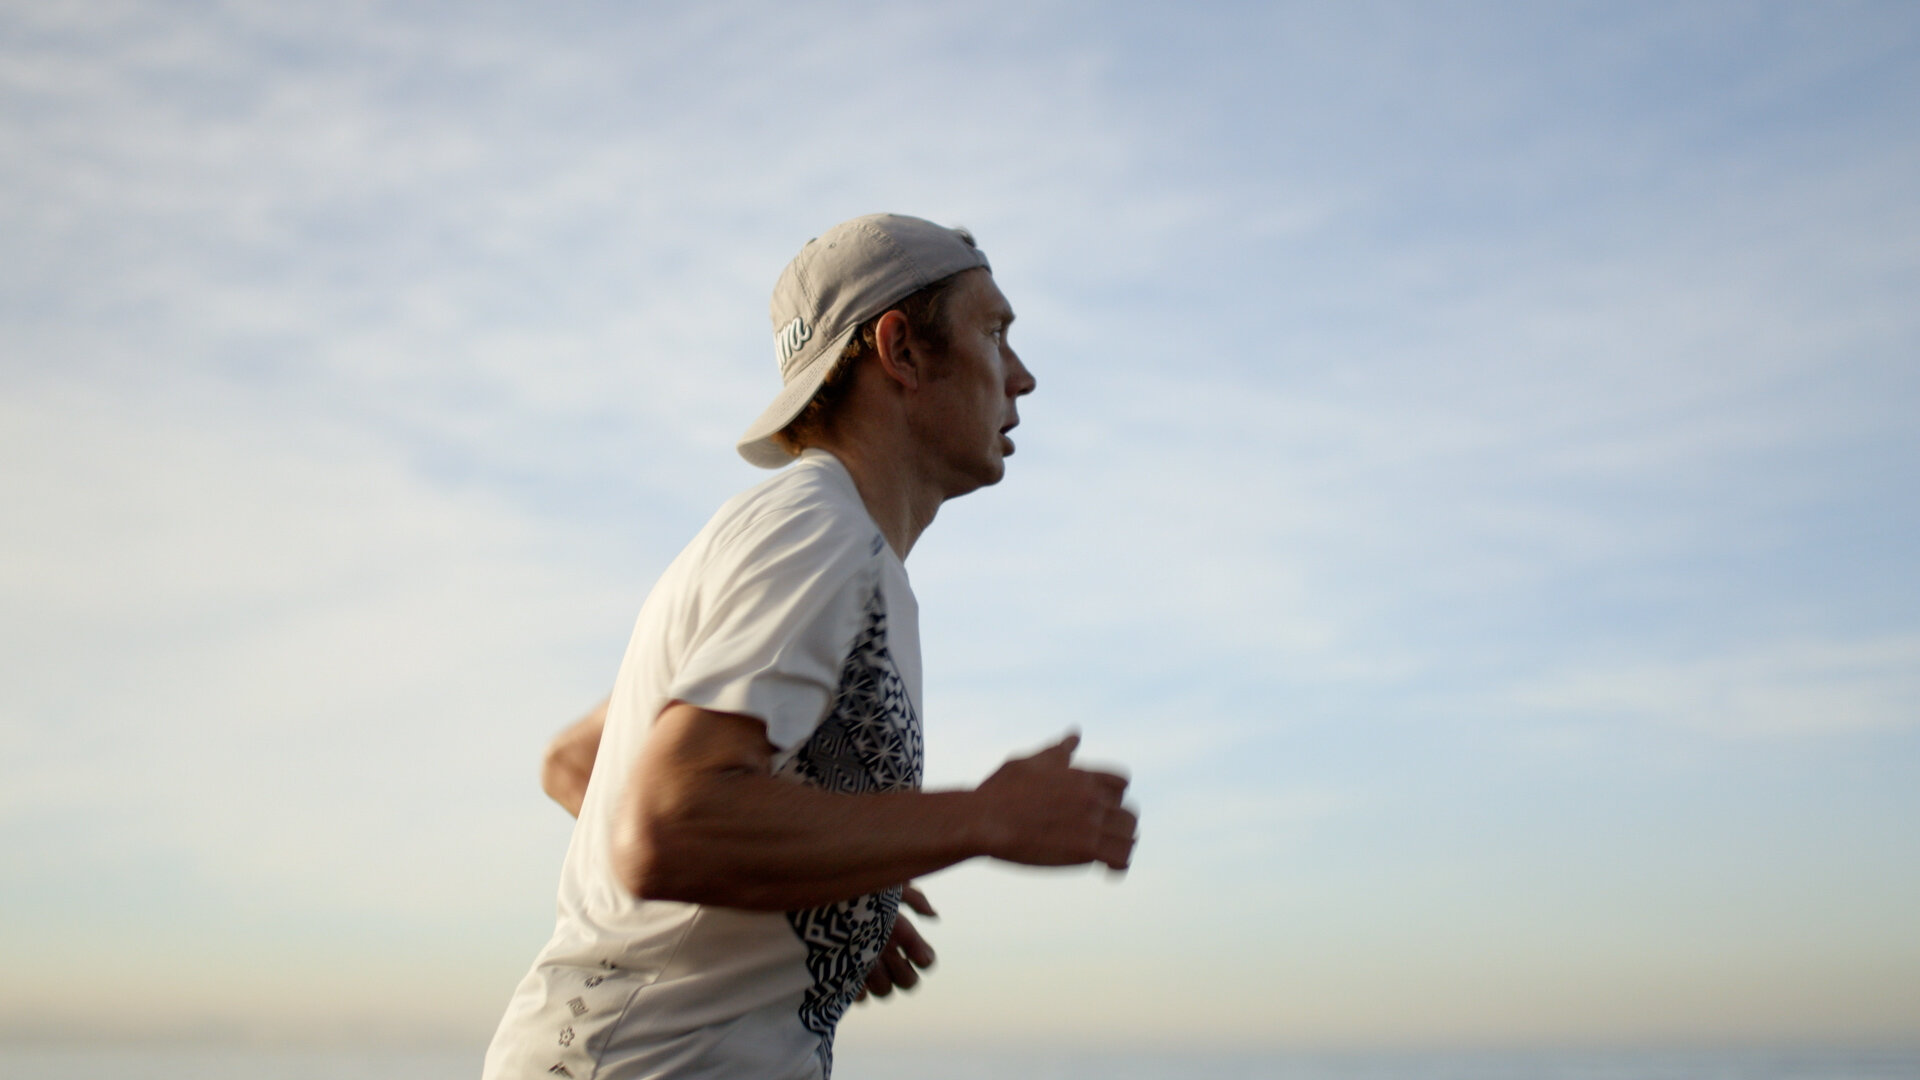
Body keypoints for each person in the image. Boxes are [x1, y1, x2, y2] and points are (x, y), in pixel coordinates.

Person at [482, 213, 1138, 1080]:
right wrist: (986, 815)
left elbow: (577, 760)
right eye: (994, 333)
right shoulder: (819, 534)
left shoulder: (819, 539)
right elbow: (665, 822)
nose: (1022, 375)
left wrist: (818, 881)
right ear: (902, 351)